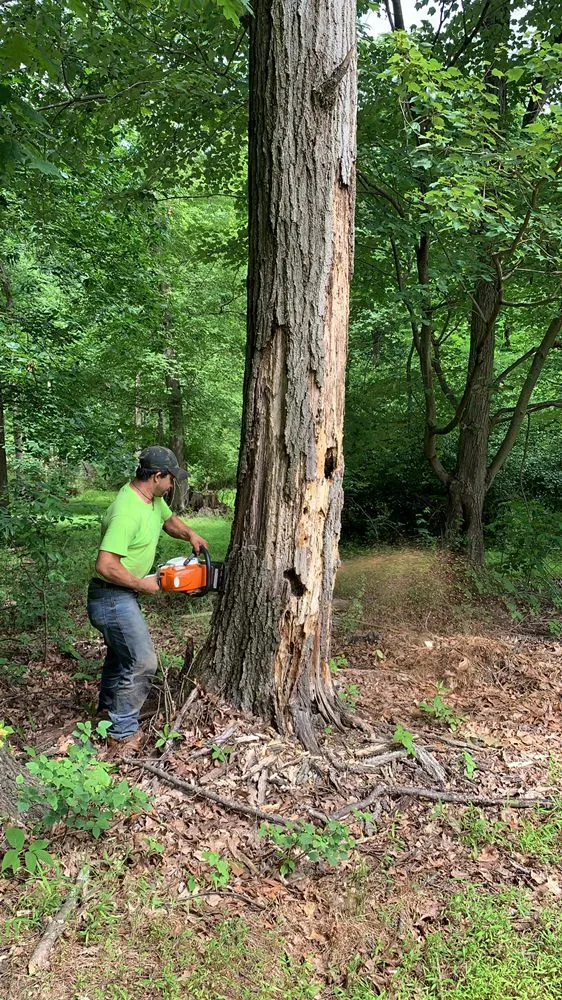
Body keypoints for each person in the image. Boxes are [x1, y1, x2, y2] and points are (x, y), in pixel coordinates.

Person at [87, 446, 208, 750]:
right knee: (143, 660)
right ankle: (122, 734)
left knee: (120, 656)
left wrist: (190, 534)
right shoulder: (127, 512)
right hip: (111, 597)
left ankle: (106, 712)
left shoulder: (151, 500)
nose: (172, 486)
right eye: (171, 480)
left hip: (120, 595)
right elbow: (106, 565)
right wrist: (142, 584)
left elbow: (168, 521)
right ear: (157, 476)